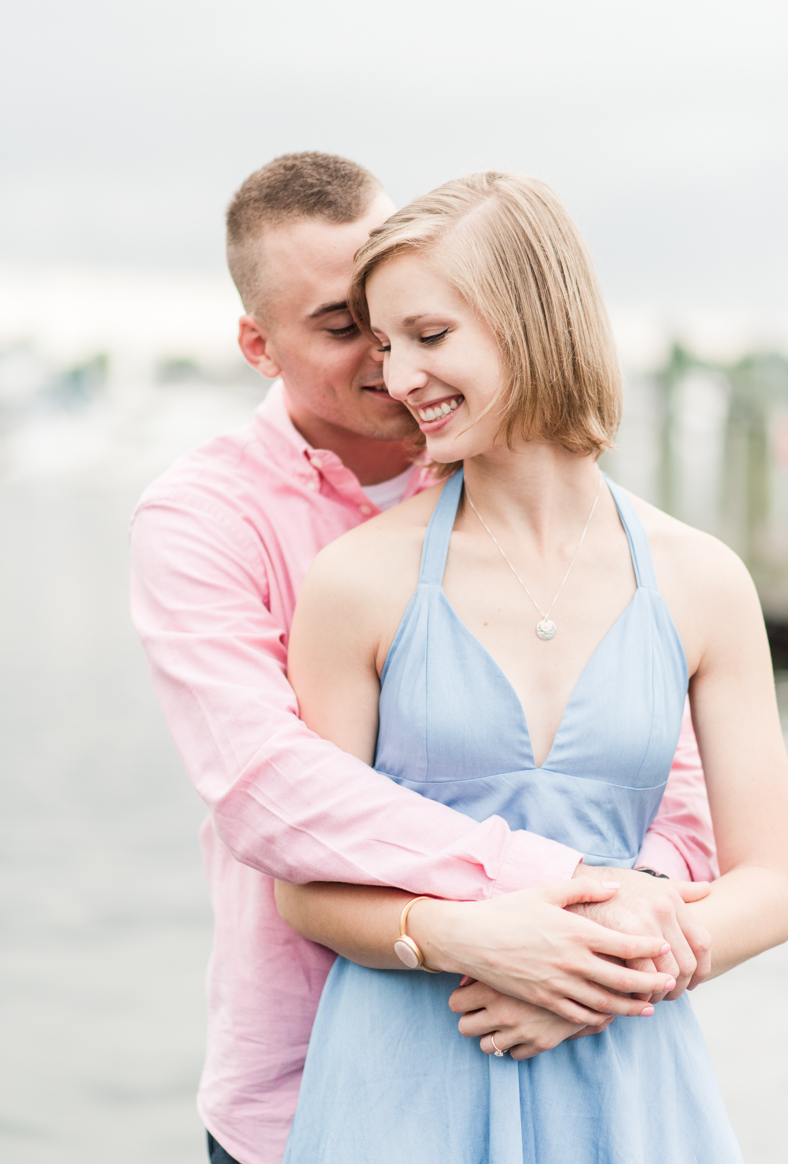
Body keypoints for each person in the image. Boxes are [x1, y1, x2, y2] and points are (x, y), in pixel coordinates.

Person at [130, 154, 717, 1164]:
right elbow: (271, 790)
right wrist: (525, 899)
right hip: (304, 1073)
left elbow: (671, 798)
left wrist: (606, 946)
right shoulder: (202, 518)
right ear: (255, 344)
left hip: (578, 1047)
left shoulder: (545, 504)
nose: (389, 360)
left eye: (405, 317)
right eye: (341, 324)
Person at [275, 172, 788, 1163]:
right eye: (383, 347)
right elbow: (304, 886)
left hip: (626, 1070)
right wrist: (472, 939)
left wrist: (601, 977)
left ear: (532, 316)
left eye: (428, 335)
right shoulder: (354, 582)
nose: (397, 377)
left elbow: (771, 876)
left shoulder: (700, 578)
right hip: (407, 1074)